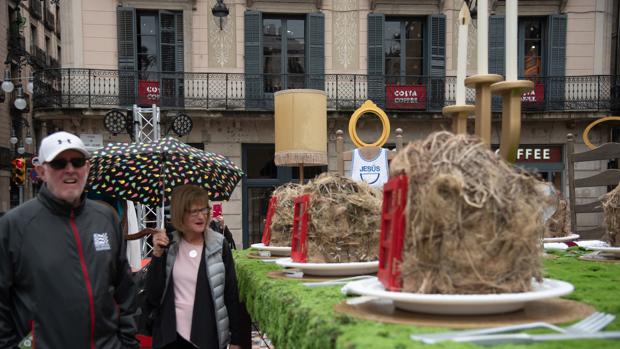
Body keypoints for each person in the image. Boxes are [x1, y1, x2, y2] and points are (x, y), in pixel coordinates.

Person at [0, 131, 139, 348]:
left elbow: (124, 289)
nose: (70, 170)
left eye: (77, 161)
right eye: (58, 163)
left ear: (87, 167)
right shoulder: (14, 225)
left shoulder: (105, 218)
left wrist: (126, 342)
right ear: (41, 171)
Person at [146, 185, 242, 349]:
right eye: (194, 211)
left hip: (207, 336)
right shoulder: (167, 244)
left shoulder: (219, 245)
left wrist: (236, 340)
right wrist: (157, 254)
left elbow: (231, 294)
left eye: (204, 210)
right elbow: (153, 295)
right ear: (180, 214)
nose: (201, 216)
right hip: (171, 337)